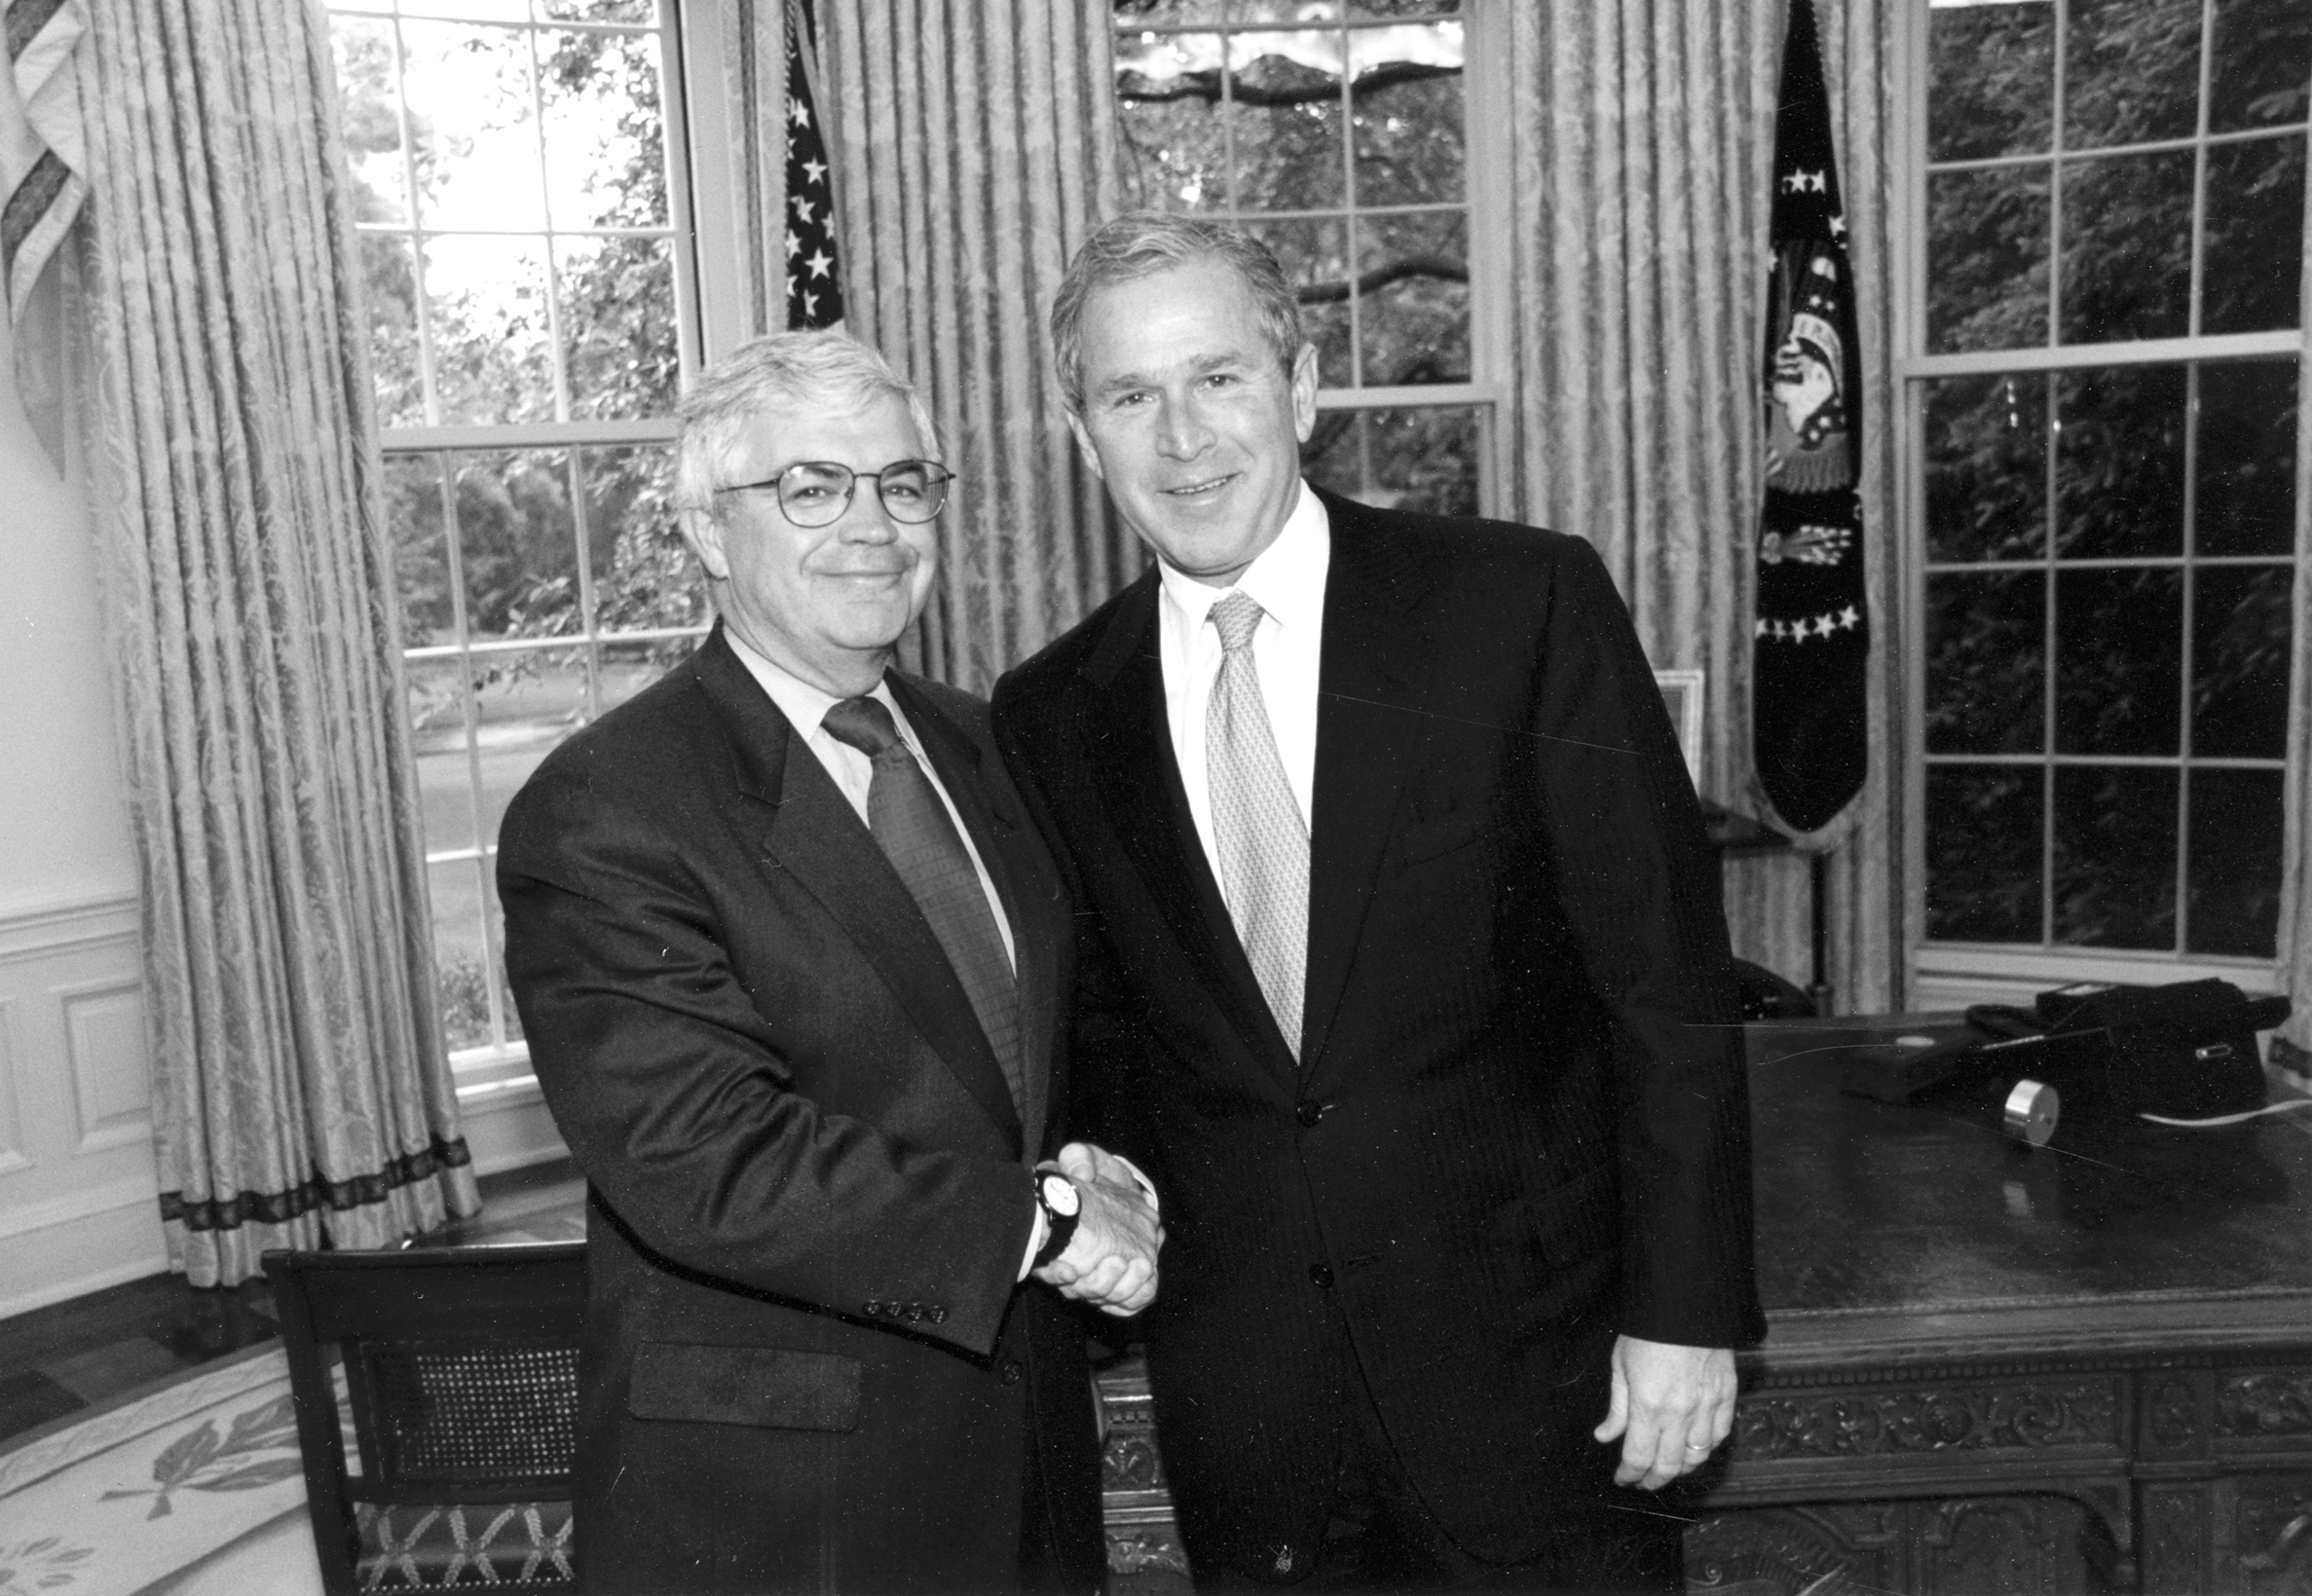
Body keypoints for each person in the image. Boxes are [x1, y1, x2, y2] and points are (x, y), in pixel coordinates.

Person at [991, 214, 1765, 1593]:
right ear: (1078, 435)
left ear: (1300, 389)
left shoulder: (1515, 603)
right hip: (1253, 1422)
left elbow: (1664, 984)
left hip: (1543, 1385)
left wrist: (1686, 1315)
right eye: (1129, 396)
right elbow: (1109, 1046)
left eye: (1218, 378)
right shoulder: (1051, 711)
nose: (1182, 437)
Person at [499, 330, 1161, 1594]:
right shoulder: (606, 809)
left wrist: (1098, 1159)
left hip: (1022, 1424)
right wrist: (1051, 1218)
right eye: (811, 487)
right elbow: (709, 1161)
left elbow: (1048, 1036)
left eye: (902, 483)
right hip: (787, 1491)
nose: (873, 525)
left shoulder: (983, 746)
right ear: (706, 529)